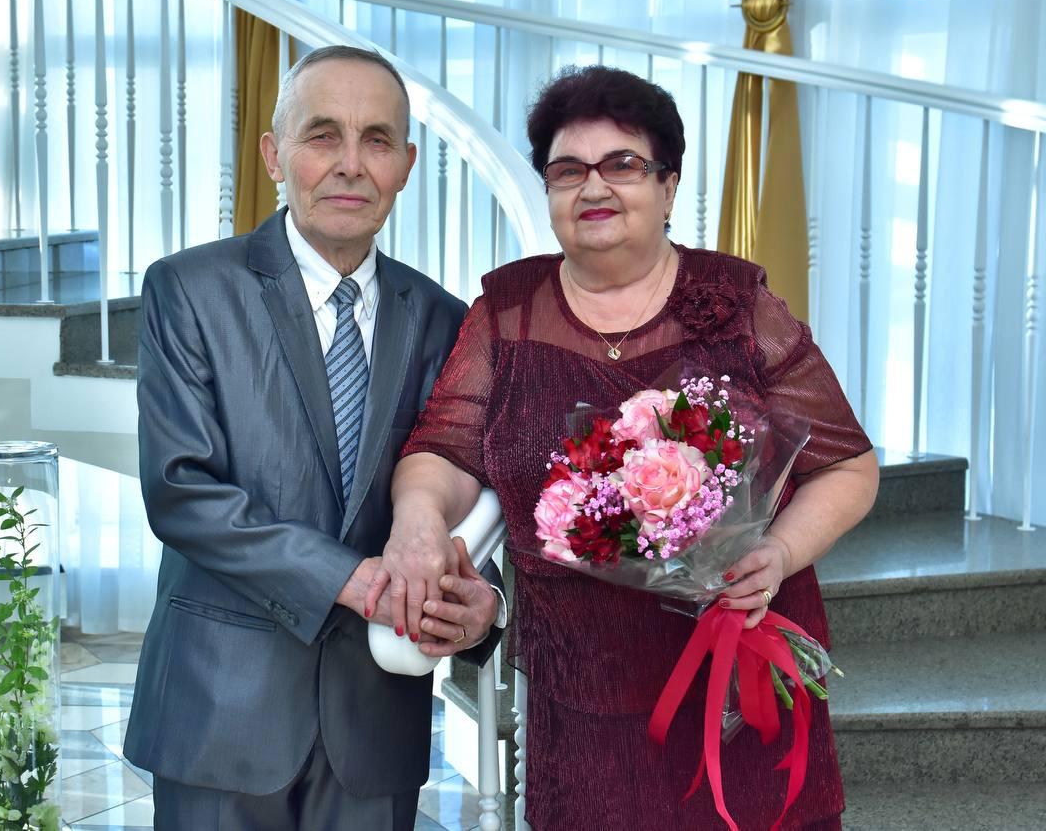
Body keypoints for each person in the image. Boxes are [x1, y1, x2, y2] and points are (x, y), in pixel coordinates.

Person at [374, 65, 879, 829]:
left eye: (623, 164)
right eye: (568, 170)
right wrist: (417, 522)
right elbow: (443, 447)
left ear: (668, 186)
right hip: (584, 697)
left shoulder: (735, 304)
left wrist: (777, 553)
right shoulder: (508, 312)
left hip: (735, 673)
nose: (594, 187)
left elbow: (847, 466)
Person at [123, 45, 504, 831]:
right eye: (323, 135)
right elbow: (182, 491)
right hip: (217, 715)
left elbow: (458, 494)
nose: (350, 164)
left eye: (376, 140)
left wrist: (482, 604)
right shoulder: (188, 290)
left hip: (376, 726)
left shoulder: (446, 320)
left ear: (405, 165)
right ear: (274, 155)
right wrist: (353, 581)